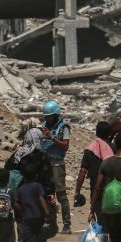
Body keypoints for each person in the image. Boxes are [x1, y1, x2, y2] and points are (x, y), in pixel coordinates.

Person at [41, 100, 72, 234]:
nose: (47, 118)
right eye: (46, 116)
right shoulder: (45, 125)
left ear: (56, 114)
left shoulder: (63, 127)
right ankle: (51, 222)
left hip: (57, 164)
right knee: (47, 193)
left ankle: (66, 224)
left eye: (50, 116)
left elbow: (65, 145)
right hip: (45, 163)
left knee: (61, 194)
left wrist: (52, 138)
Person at [14, 169, 50, 242]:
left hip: (26, 217)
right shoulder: (38, 186)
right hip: (39, 216)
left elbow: (16, 203)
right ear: (35, 176)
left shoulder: (21, 189)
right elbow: (41, 199)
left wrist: (22, 211)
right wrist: (47, 212)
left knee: (26, 239)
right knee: (42, 239)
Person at [74, 121, 115, 208]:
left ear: (96, 132)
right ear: (109, 133)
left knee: (98, 214)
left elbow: (83, 171)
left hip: (96, 189)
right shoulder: (114, 148)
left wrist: (77, 190)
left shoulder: (90, 150)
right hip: (113, 188)